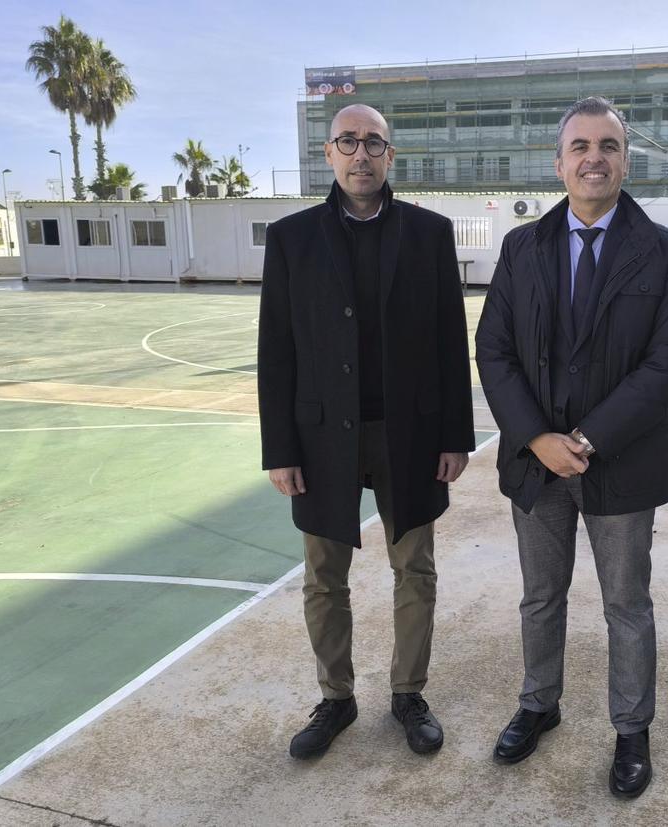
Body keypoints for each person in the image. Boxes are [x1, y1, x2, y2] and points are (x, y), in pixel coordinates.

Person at [475, 96, 668, 798]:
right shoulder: (521, 247)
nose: (594, 157)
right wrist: (536, 437)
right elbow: (494, 350)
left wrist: (589, 437)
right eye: (581, 146)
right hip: (537, 465)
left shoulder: (662, 252)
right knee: (540, 596)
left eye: (608, 145)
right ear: (559, 161)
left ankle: (632, 729)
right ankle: (539, 703)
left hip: (621, 462)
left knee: (626, 602)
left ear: (624, 159)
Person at [257, 103, 474, 760]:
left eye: (373, 142)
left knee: (415, 568)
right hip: (321, 438)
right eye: (347, 142)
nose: (361, 154)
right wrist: (280, 448)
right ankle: (336, 697)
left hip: (406, 433)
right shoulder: (293, 238)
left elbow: (447, 341)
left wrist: (455, 435)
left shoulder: (430, 234)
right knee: (325, 576)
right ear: (328, 154)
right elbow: (277, 349)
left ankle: (408, 693)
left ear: (390, 155)